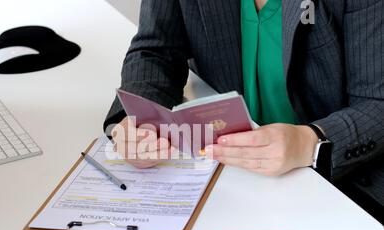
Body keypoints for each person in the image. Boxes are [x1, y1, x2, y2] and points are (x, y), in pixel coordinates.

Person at [103, 0, 384, 206]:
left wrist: (309, 142)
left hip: (339, 183)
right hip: (233, 180)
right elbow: (156, 50)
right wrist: (138, 121)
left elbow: (377, 102)